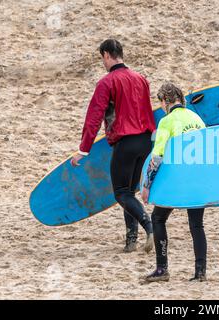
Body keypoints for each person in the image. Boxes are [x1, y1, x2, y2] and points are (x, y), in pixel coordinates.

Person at [70, 39, 155, 253]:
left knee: (120, 193)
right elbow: (147, 110)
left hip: (125, 142)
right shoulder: (141, 79)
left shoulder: (107, 82)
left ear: (107, 55)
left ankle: (149, 226)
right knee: (130, 191)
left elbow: (94, 117)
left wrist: (83, 149)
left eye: (103, 59)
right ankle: (131, 241)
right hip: (146, 141)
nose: (103, 63)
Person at [141, 82, 207, 282]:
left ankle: (162, 269)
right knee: (196, 225)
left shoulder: (166, 121)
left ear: (165, 101)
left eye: (160, 102)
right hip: (198, 180)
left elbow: (157, 157)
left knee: (158, 218)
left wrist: (146, 185)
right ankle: (200, 272)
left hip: (177, 181)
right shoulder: (197, 118)